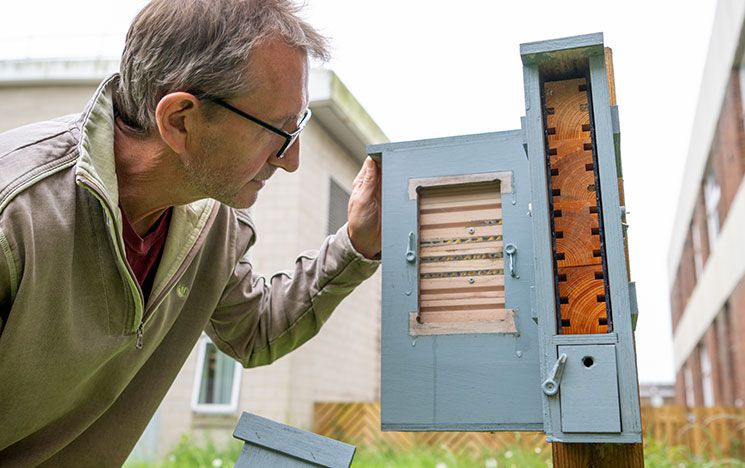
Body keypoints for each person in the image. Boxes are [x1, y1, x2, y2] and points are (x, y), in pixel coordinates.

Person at [0, 0, 381, 464]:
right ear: (180, 120)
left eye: (297, 126)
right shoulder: (15, 217)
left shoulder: (214, 221)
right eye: (278, 130)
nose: (291, 158)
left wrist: (357, 243)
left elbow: (254, 331)